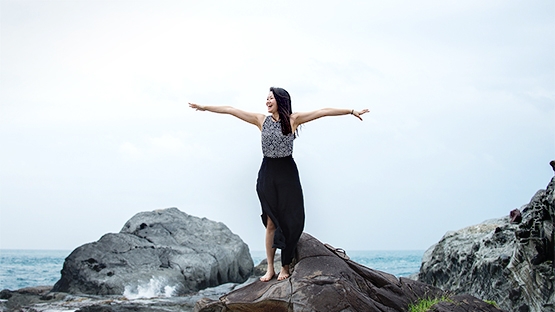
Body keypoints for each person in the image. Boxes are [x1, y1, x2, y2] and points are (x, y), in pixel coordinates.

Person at [189, 87, 369, 282]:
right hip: (268, 173)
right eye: (266, 98)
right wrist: (205, 107)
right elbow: (232, 110)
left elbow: (322, 112)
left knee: (289, 221)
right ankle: (270, 269)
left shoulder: (293, 120)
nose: (267, 101)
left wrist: (351, 111)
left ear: (280, 100)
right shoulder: (261, 120)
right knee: (271, 222)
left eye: (270, 98)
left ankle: (285, 266)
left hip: (287, 174)